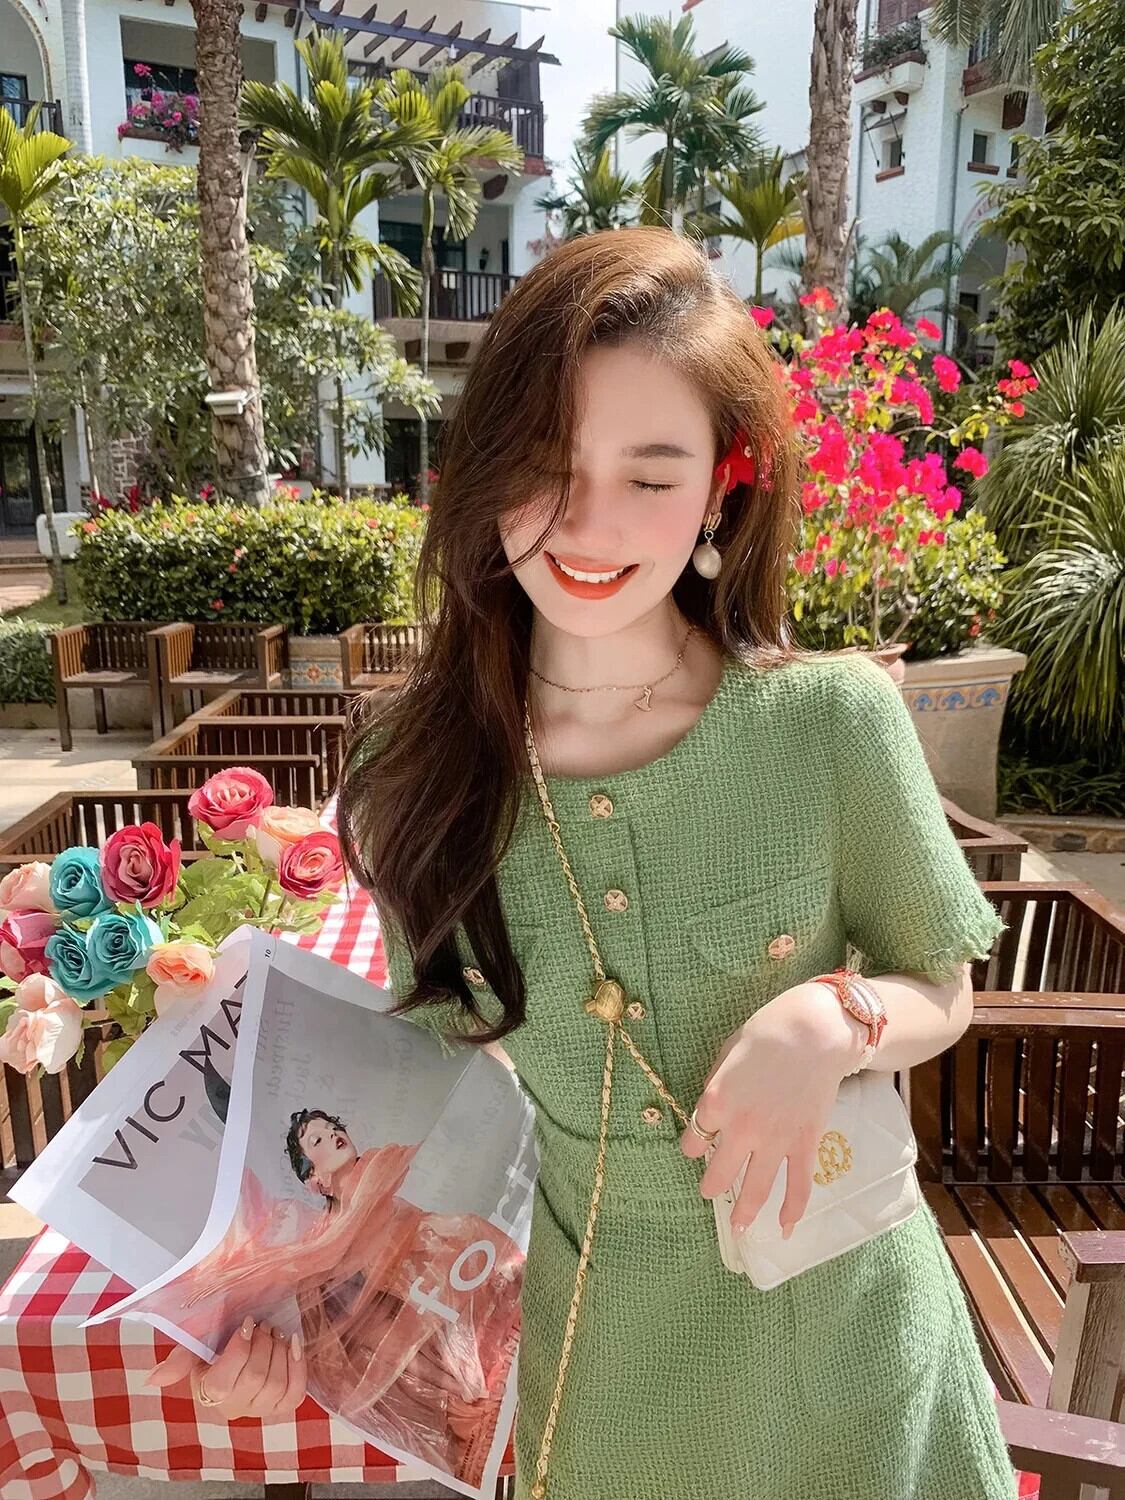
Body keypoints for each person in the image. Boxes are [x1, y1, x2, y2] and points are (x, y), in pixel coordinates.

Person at [157, 227, 1017, 1500]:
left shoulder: (831, 721)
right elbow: (429, 1094)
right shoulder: (413, 769)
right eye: (548, 468)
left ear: (723, 487)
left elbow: (942, 983)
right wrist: (289, 1319)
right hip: (603, 1362)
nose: (590, 524)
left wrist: (830, 1023)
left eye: (650, 476)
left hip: (852, 1338)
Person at [145, 1107, 522, 1486]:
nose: (332, 1135)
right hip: (409, 1329)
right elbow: (273, 1269)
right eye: (318, 1139)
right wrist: (215, 1326)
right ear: (315, 1180)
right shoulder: (312, 1238)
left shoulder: (378, 1167)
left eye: (333, 1128)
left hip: (455, 1282)